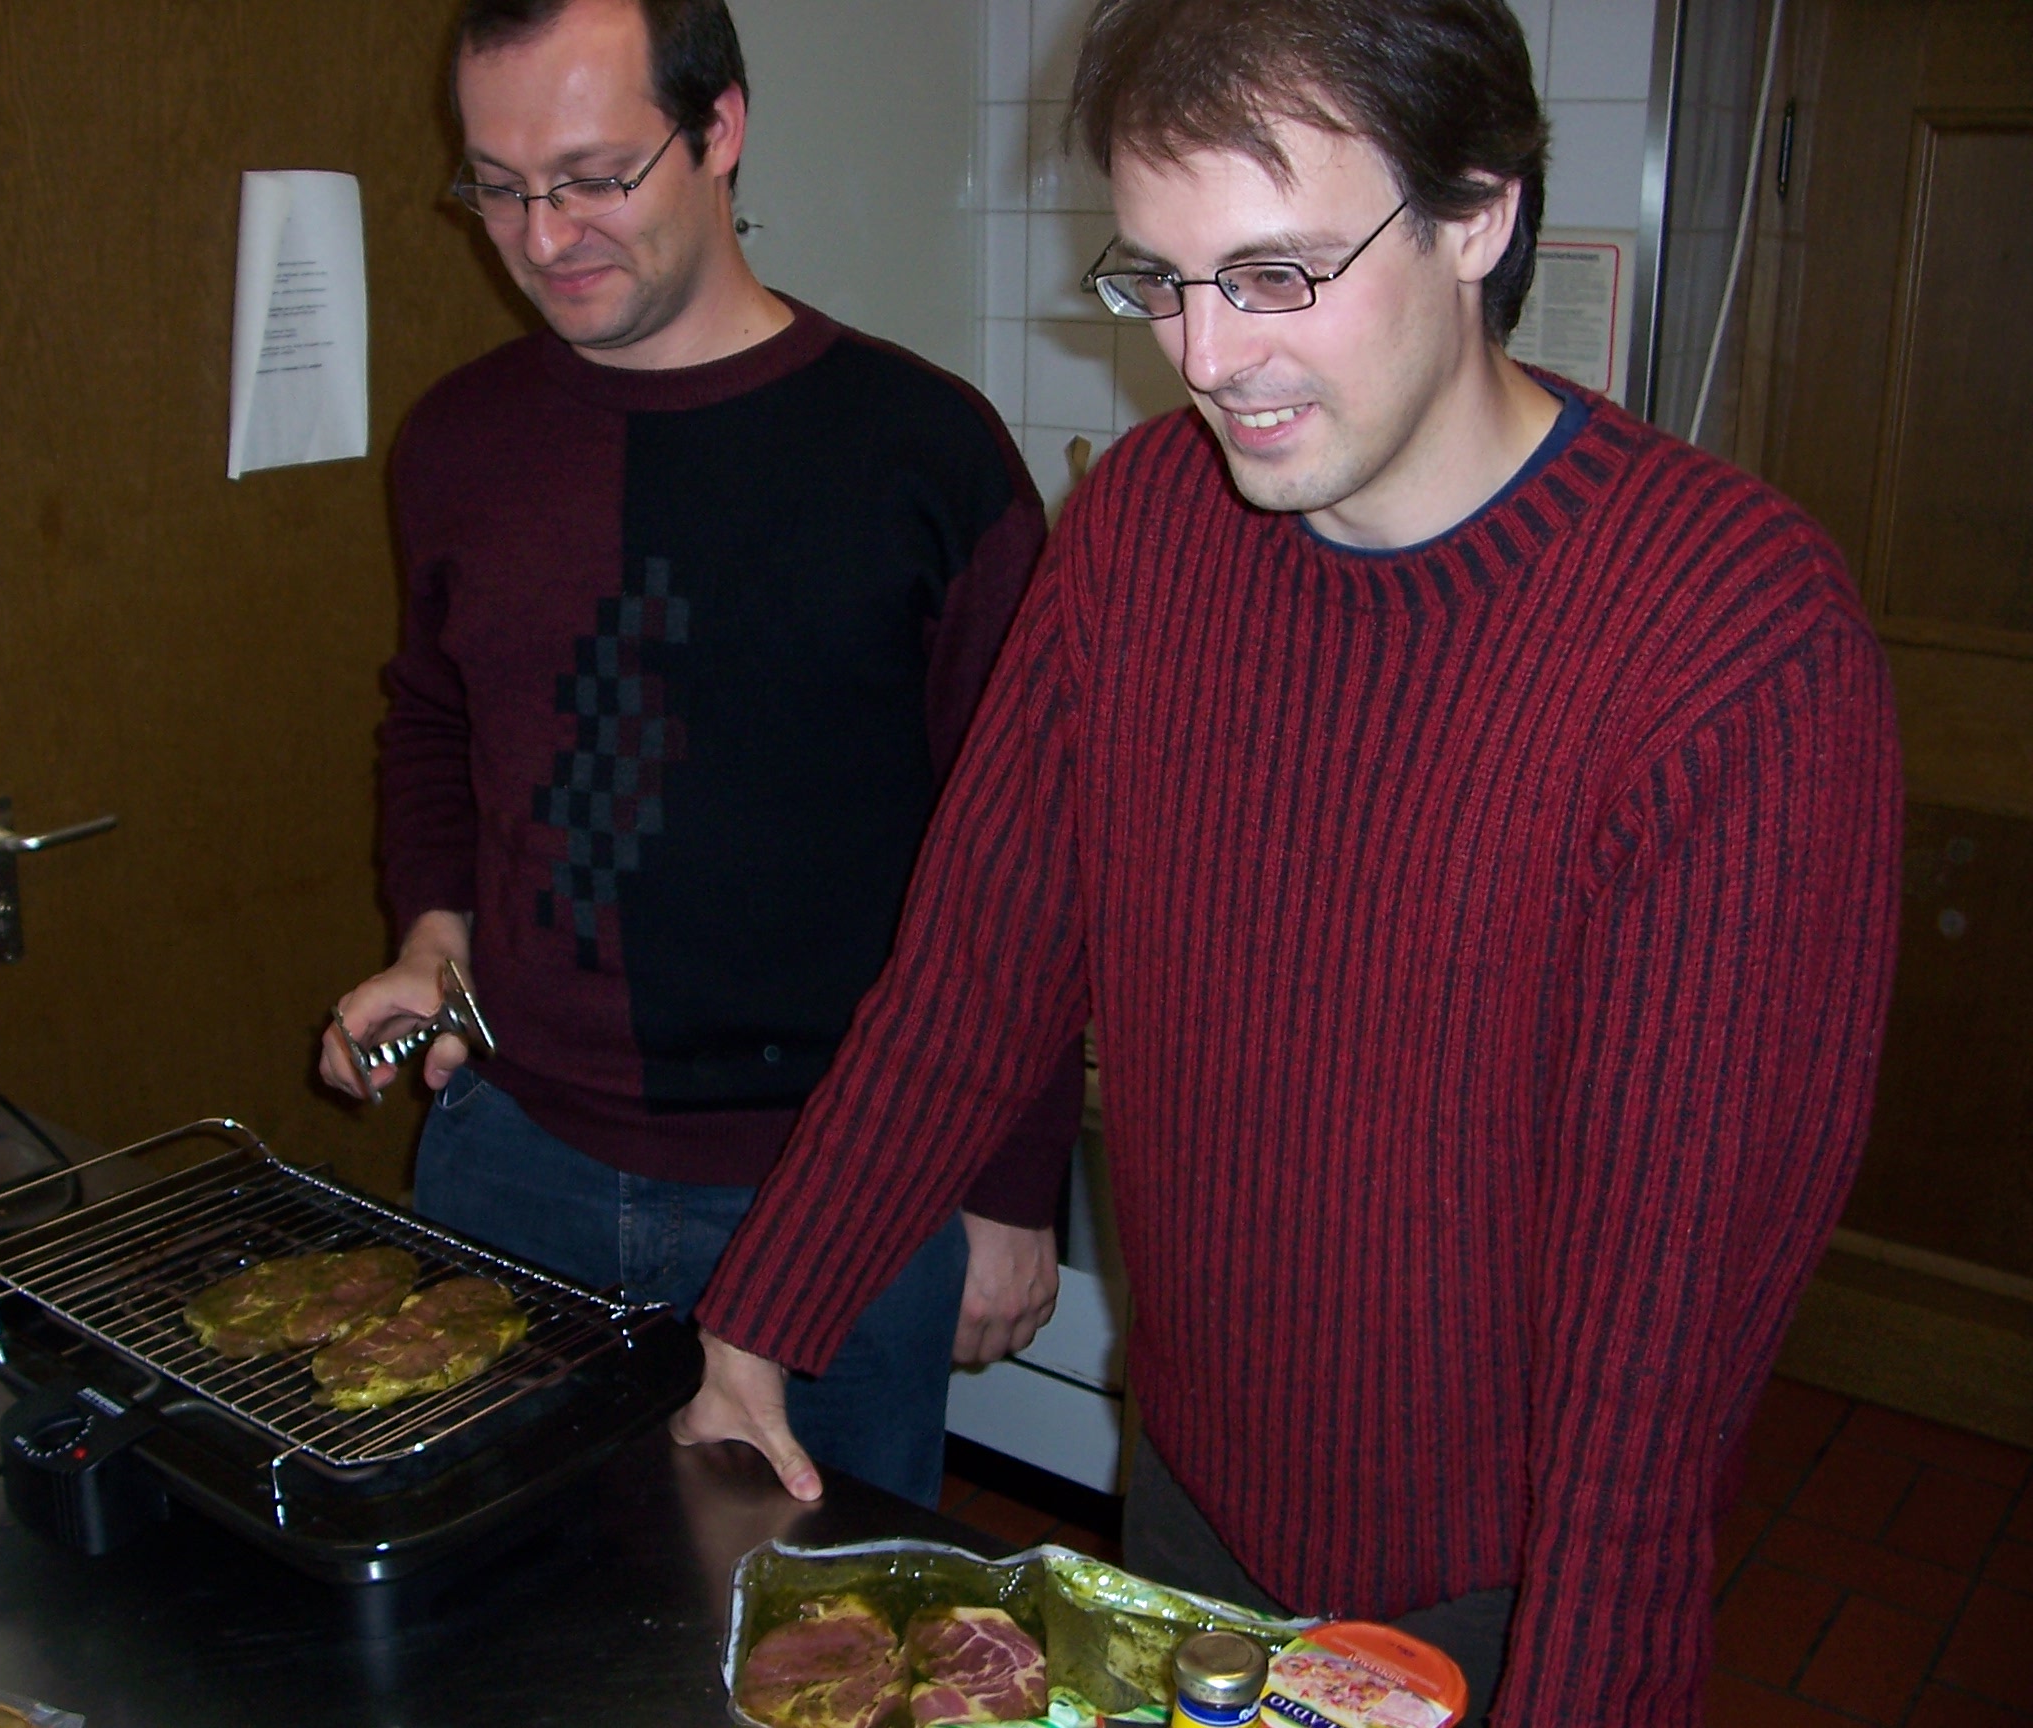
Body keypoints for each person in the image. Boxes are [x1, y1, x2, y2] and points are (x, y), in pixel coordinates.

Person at [673, 0, 1904, 1720]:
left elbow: (1666, 1322)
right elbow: (972, 977)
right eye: (1163, 279)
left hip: (1508, 1574)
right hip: (1195, 1496)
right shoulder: (1143, 530)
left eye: (1276, 274)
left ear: (1479, 215)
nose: (1205, 355)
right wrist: (761, 1323)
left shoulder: (1726, 644)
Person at [320, 0, 1080, 1510]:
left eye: (594, 177)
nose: (543, 238)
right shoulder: (458, 442)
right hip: (510, 1159)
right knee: (513, 1599)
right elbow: (437, 719)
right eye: (498, 188)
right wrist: (433, 936)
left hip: (842, 1187)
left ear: (720, 128)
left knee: (821, 1617)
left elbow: (1035, 857)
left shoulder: (921, 450)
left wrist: (1010, 1187)